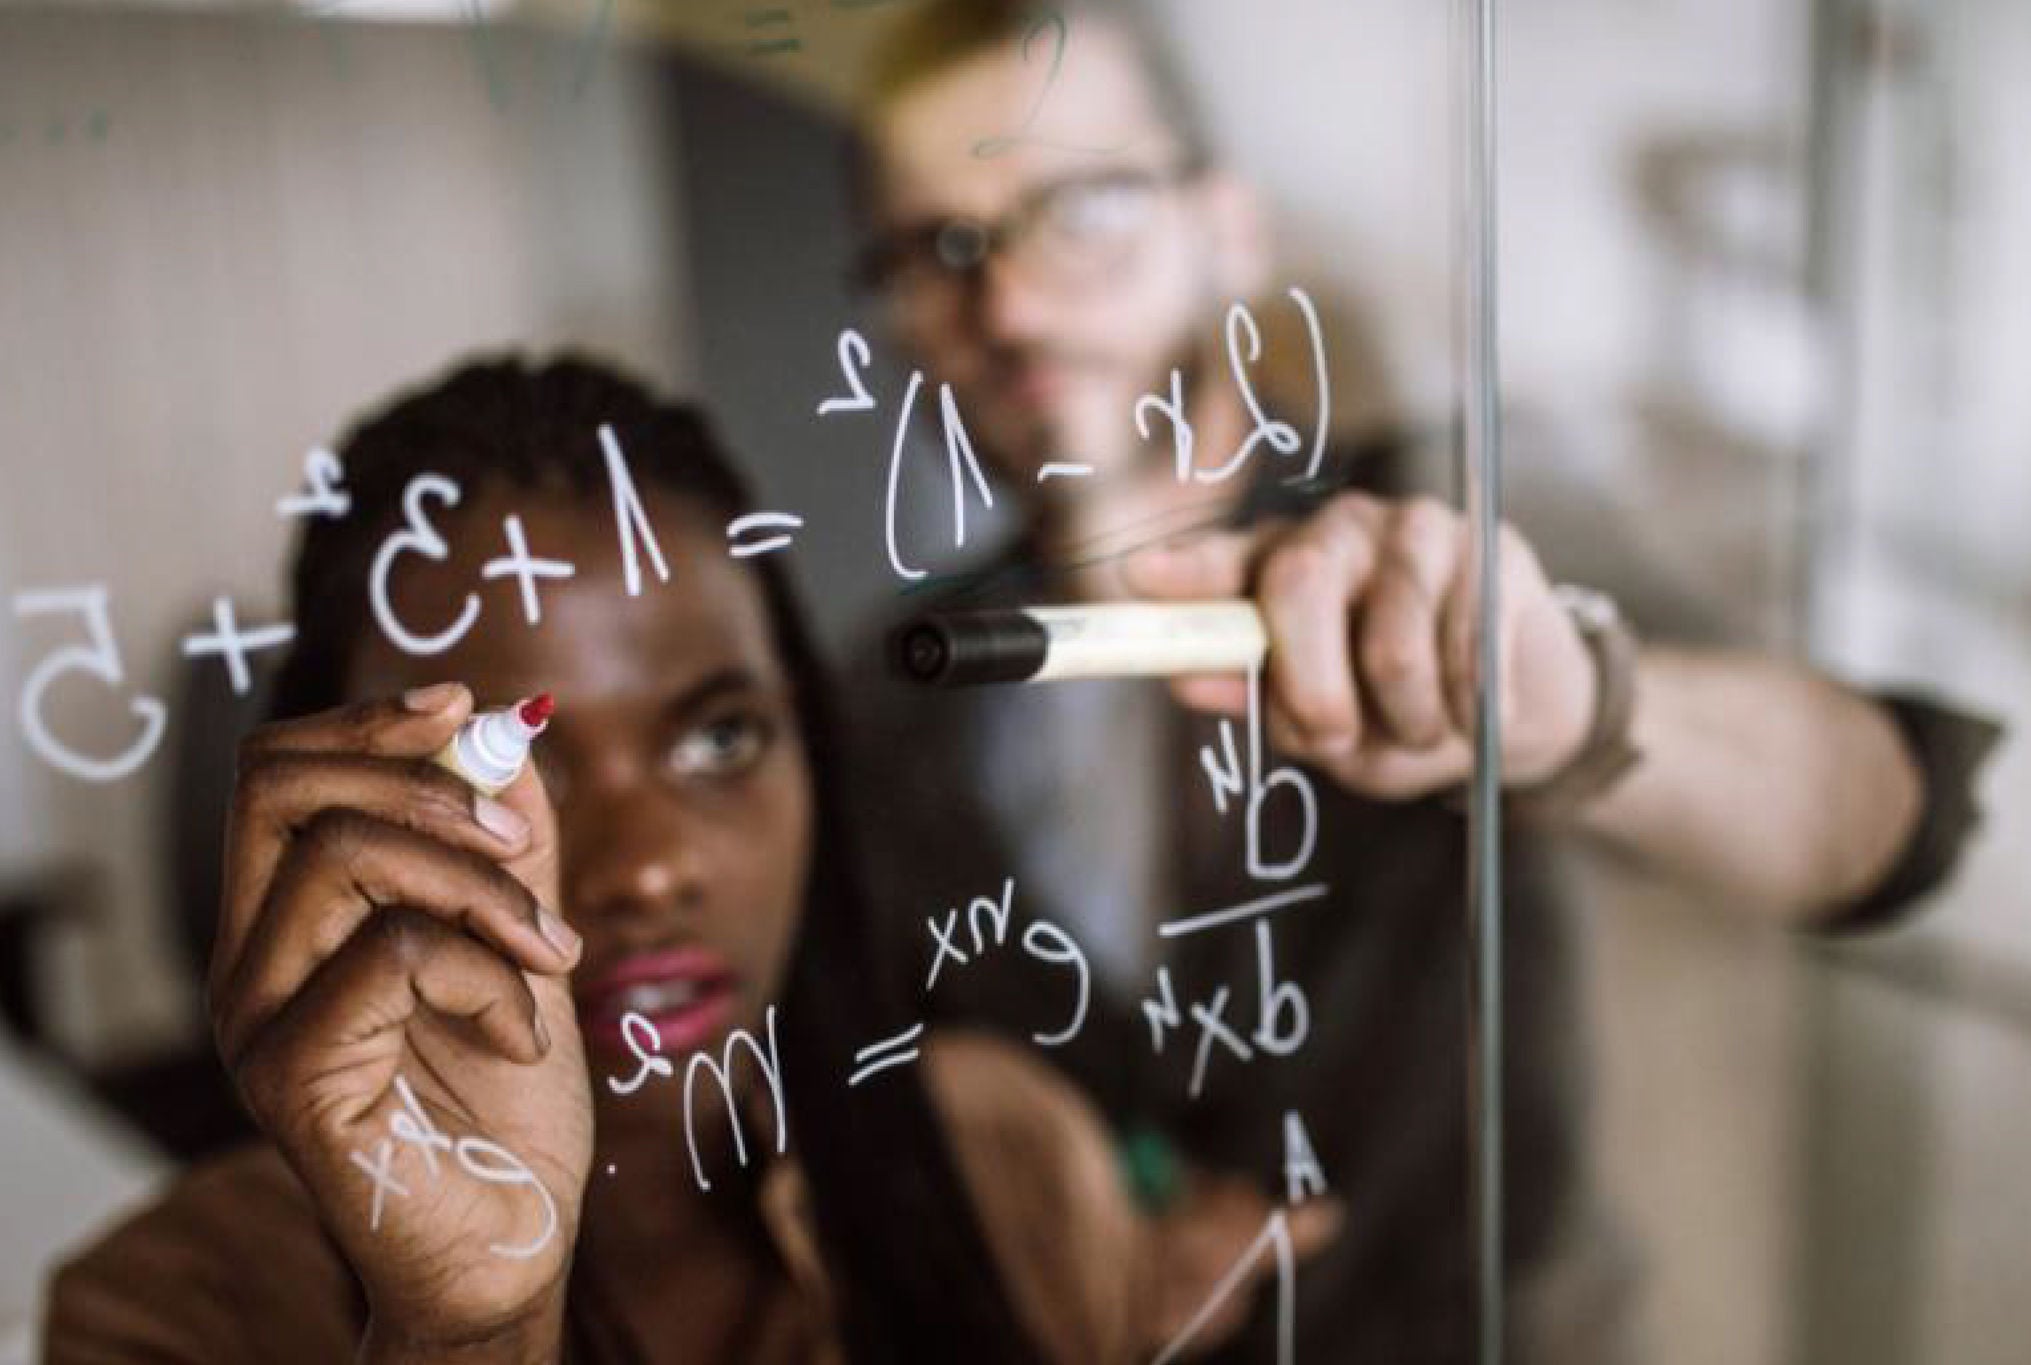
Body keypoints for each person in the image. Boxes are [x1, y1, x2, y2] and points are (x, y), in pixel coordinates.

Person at [841, 2, 2002, 1361]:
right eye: (943, 246)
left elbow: (1893, 814)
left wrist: (1577, 713)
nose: (1014, 302)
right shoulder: (884, 696)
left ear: (1229, 228)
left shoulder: (1470, 511)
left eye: (1082, 208)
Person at [43, 355, 1315, 1364]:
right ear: (340, 816)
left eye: (719, 735)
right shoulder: (177, 1314)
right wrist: (463, 1333)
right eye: (507, 762)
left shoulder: (997, 1155)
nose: (646, 868)